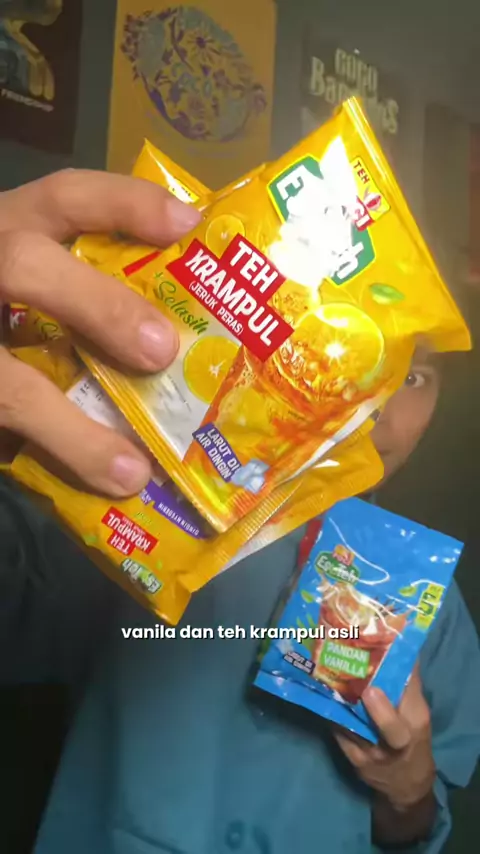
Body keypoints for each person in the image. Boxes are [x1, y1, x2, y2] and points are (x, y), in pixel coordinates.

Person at [0, 171, 479, 854]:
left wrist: (406, 790)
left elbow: (420, 828)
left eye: (415, 376)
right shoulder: (137, 502)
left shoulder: (437, 610)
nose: (378, 411)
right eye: (359, 359)